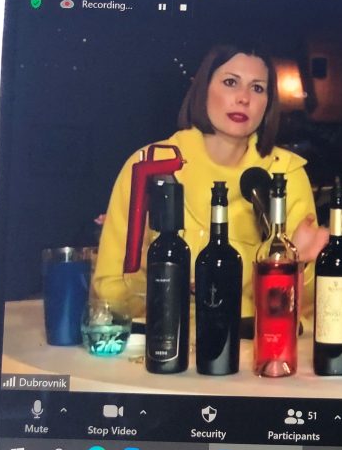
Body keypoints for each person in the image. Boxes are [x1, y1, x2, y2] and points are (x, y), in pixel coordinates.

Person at [93, 44, 328, 318]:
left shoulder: (284, 175)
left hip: (248, 338)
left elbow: (306, 303)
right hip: (162, 335)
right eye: (230, 82)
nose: (243, 98)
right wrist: (163, 298)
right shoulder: (150, 165)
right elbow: (110, 286)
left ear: (268, 103)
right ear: (203, 89)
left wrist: (298, 263)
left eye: (257, 88)